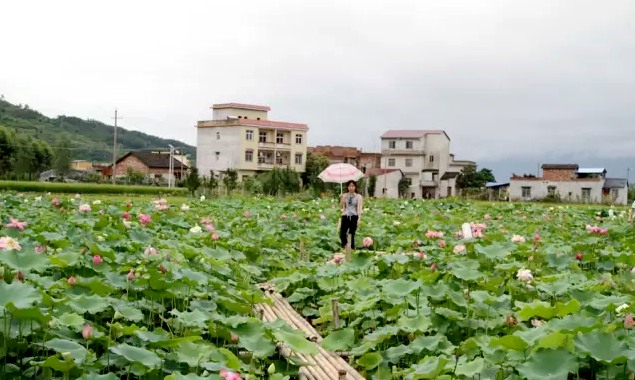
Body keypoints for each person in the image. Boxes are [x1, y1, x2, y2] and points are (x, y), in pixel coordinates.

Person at [339, 180, 363, 250]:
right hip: (345, 215)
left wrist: (359, 218)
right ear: (347, 187)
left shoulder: (358, 196)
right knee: (342, 233)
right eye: (349, 186)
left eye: (352, 186)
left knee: (351, 234)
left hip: (354, 216)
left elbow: (359, 208)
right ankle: (346, 246)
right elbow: (342, 207)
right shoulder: (344, 195)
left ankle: (351, 249)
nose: (351, 187)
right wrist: (341, 199)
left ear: (355, 187)